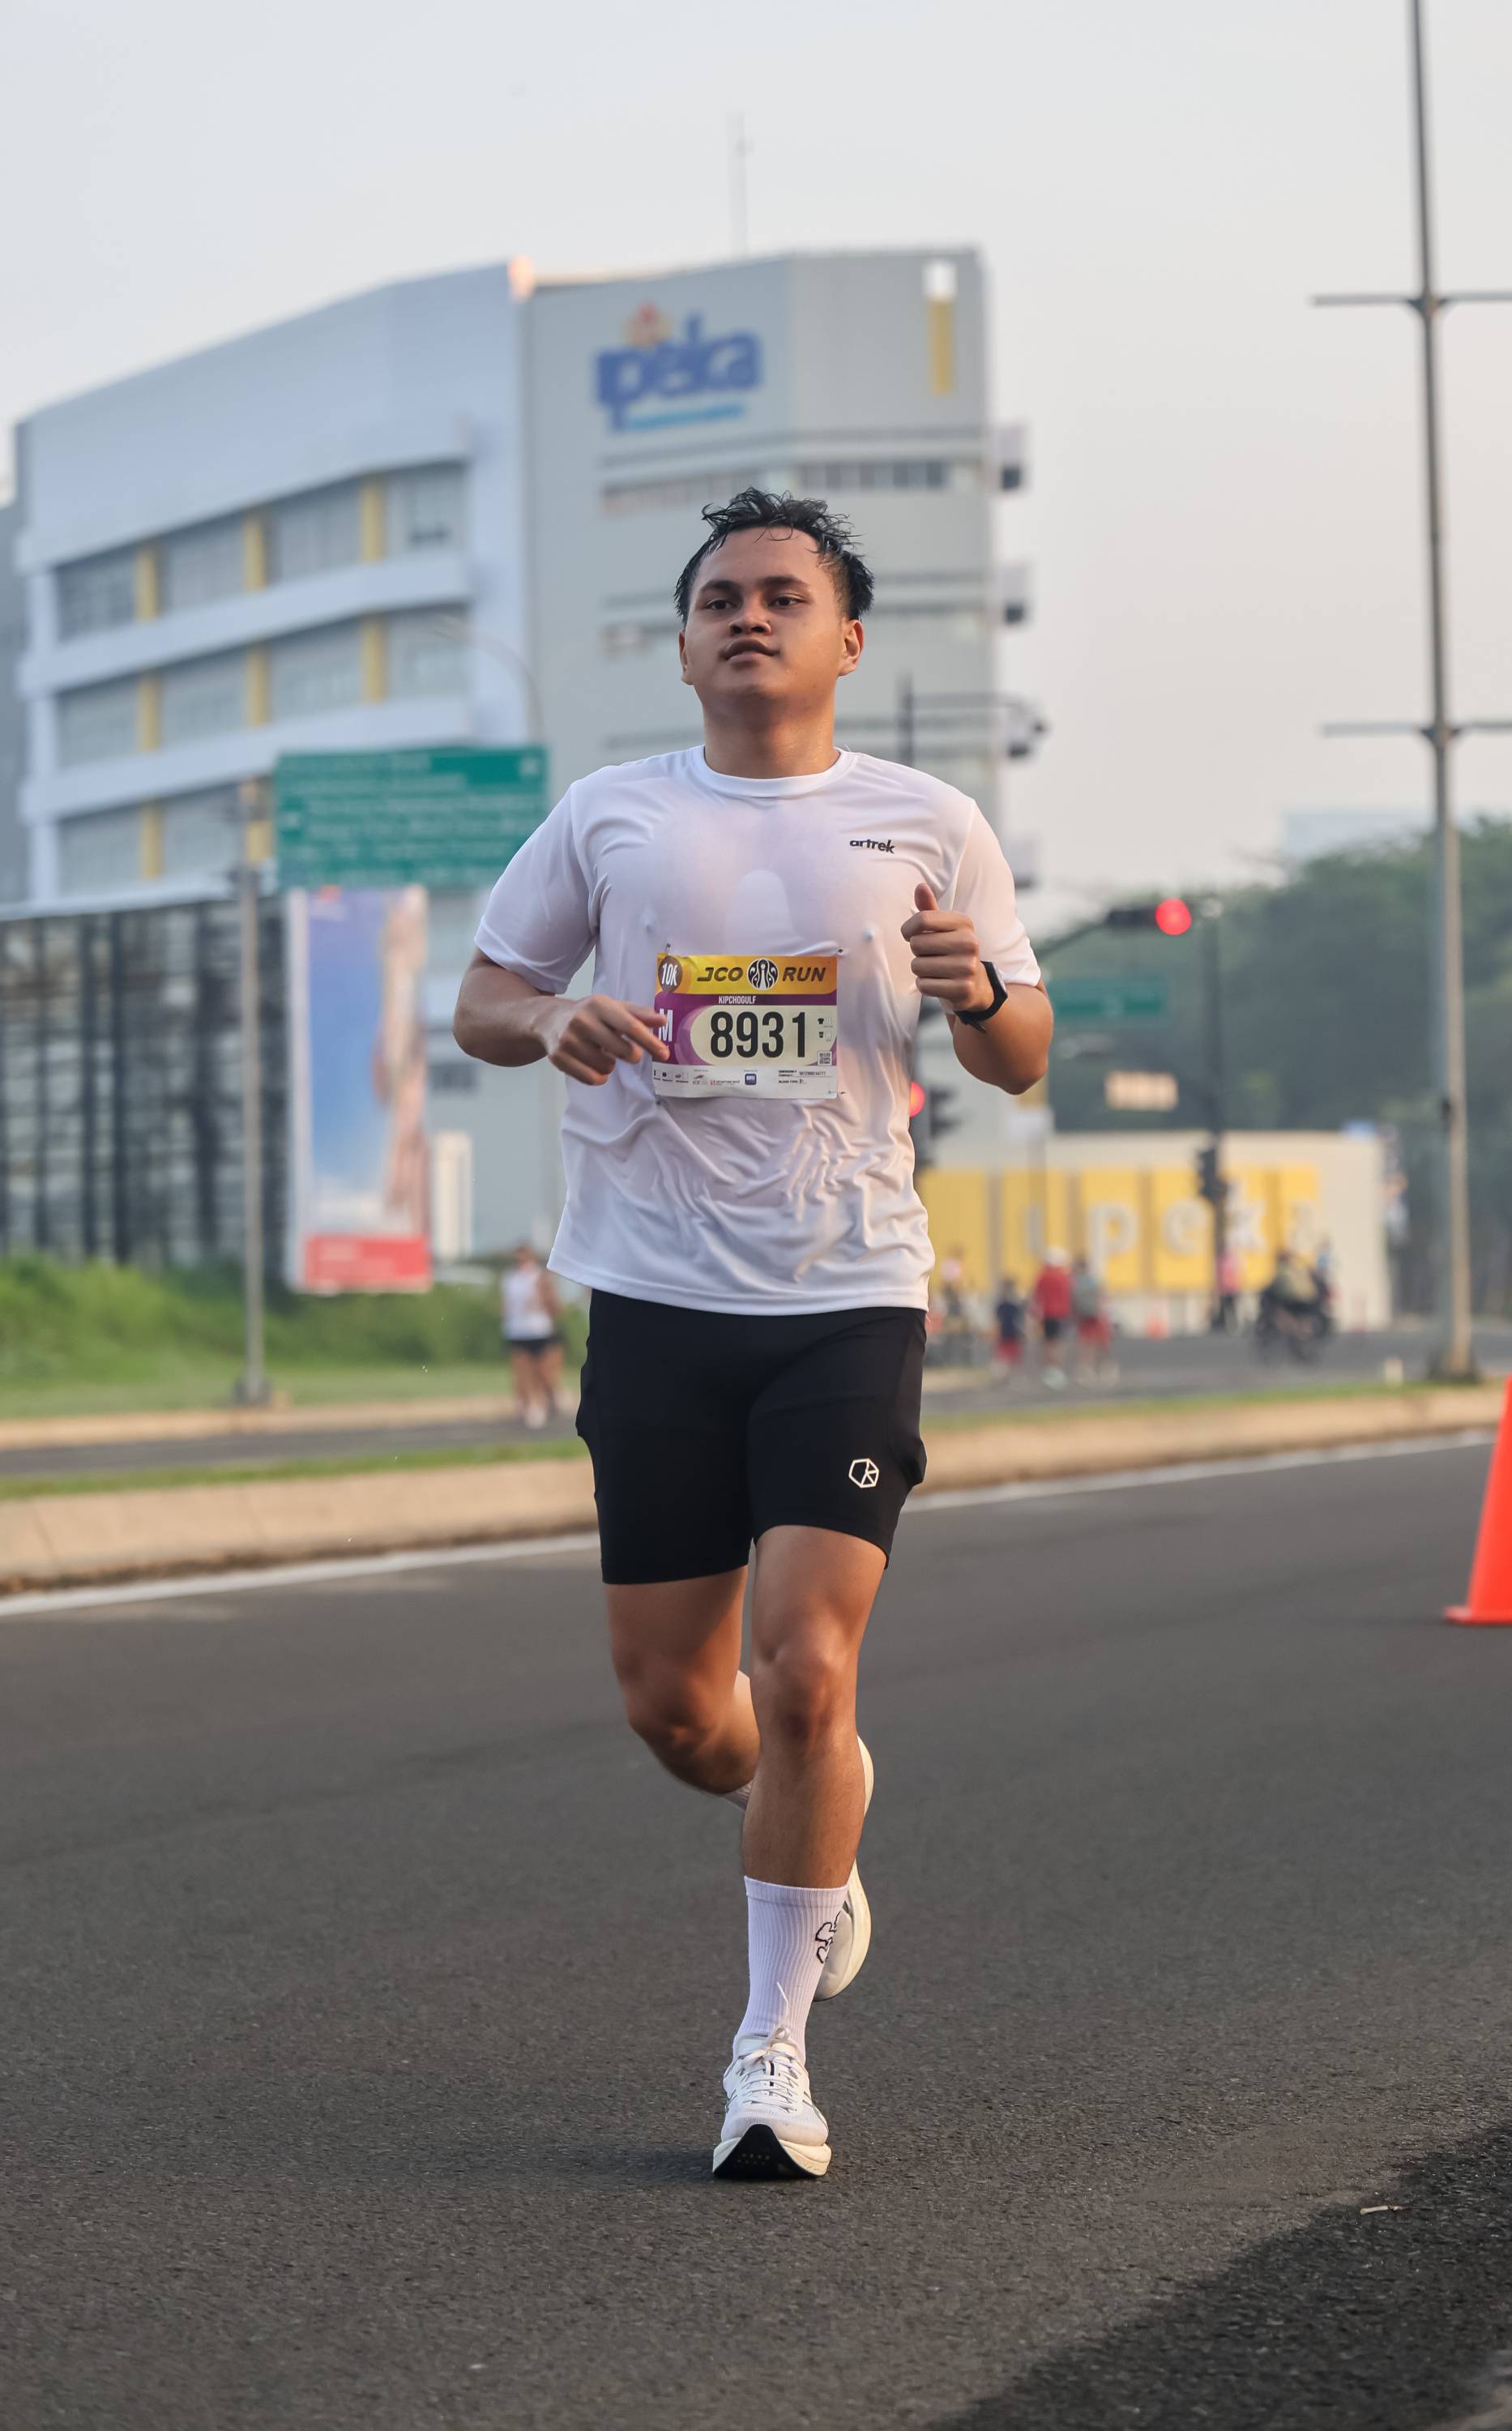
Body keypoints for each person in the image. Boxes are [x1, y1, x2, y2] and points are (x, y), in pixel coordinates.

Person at [453, 489, 1049, 2180]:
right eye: (721, 597)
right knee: (676, 1708)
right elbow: (481, 1000)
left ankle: (768, 2060)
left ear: (845, 638)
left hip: (844, 1291)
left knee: (804, 1669)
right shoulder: (610, 815)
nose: (750, 616)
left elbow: (1022, 1055)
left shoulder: (928, 822)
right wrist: (551, 1019)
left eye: (784, 595)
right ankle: (811, 1799)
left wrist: (977, 989)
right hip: (653, 1295)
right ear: (685, 641)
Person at [501, 1243, 564, 1427]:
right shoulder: (510, 1278)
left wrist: (543, 1303)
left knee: (544, 1373)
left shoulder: (540, 1276)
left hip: (539, 1330)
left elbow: (554, 1303)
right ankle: (532, 1406)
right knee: (522, 1372)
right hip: (517, 1331)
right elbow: (507, 1303)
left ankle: (550, 1398)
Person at [1030, 1246, 1073, 1389]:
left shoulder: (1042, 1277)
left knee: (1048, 1344)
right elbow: (1068, 1296)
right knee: (1057, 1344)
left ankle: (1050, 1371)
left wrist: (1034, 1316)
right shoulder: (1063, 1277)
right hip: (1060, 1314)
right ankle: (1055, 1371)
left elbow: (1036, 1297)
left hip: (1046, 1315)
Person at [1070, 1254, 1115, 1383]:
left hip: (1090, 1317)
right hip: (1093, 1316)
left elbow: (1074, 1302)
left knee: (1091, 1344)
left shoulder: (1078, 1282)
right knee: (1095, 1344)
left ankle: (1092, 1370)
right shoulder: (1092, 1280)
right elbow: (1103, 1296)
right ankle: (1098, 1369)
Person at [991, 1275, 1026, 1380]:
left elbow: (1020, 1319)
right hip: (1005, 1331)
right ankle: (1005, 1374)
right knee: (1004, 1354)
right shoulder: (1002, 1304)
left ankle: (1011, 1374)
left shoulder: (1015, 1303)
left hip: (1013, 1331)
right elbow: (997, 1320)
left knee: (1012, 1354)